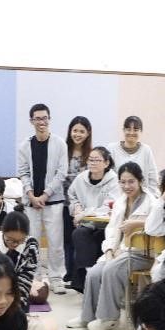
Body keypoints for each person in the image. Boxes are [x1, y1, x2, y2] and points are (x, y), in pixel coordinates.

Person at [67, 162, 151, 330]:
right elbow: (112, 229)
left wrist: (137, 224)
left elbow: (156, 226)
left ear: (140, 181)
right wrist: (110, 250)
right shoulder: (120, 202)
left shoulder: (151, 202)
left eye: (131, 181)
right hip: (120, 251)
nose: (127, 186)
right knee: (94, 272)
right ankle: (87, 316)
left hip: (142, 252)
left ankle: (108, 318)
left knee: (111, 269)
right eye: (123, 182)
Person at [16, 103, 68, 293]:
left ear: (49, 119)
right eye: (37, 118)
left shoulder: (60, 144)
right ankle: (34, 278)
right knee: (32, 242)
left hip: (53, 201)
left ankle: (56, 278)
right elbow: (23, 173)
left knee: (56, 243)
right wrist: (31, 195)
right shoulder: (24, 145)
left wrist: (46, 194)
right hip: (31, 202)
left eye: (44, 118)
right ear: (31, 121)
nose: (41, 122)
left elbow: (62, 173)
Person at [67, 146, 118, 289]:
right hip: (87, 224)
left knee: (99, 236)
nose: (92, 163)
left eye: (97, 160)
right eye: (90, 160)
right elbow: (72, 195)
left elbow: (108, 207)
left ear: (106, 163)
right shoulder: (81, 178)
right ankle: (84, 277)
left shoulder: (114, 181)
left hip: (106, 225)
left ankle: (95, 278)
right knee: (79, 234)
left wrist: (84, 214)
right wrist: (76, 207)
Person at [0, 210, 38, 309]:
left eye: (20, 240)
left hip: (18, 296)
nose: (15, 244)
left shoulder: (31, 245)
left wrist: (17, 305)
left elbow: (26, 278)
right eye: (10, 239)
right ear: (2, 230)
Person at [61, 116, 94, 287]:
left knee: (81, 239)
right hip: (64, 203)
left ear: (88, 133)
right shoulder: (63, 151)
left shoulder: (92, 155)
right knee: (67, 240)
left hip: (84, 206)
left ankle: (79, 275)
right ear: (70, 132)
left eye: (82, 131)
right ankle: (69, 273)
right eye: (75, 130)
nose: (78, 134)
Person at [106, 115, 157, 192]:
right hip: (117, 195)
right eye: (128, 129)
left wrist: (151, 196)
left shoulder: (146, 150)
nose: (131, 133)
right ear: (123, 130)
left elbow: (153, 178)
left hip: (142, 196)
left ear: (141, 131)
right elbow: (107, 175)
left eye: (136, 130)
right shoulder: (111, 148)